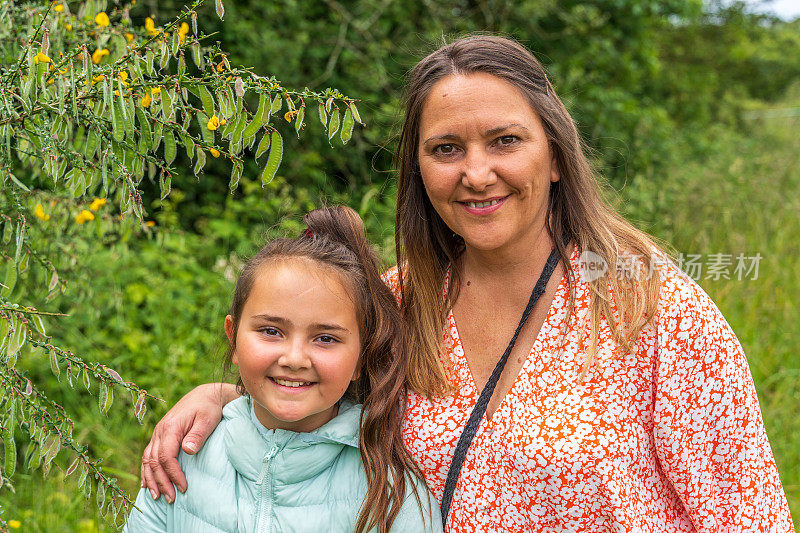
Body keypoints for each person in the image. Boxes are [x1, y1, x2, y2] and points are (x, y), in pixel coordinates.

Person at [140, 36, 795, 532]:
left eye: (505, 141)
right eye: (446, 148)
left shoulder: (654, 310)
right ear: (419, 168)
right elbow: (311, 396)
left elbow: (748, 513)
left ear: (557, 155)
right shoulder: (394, 304)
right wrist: (218, 395)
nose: (476, 173)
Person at [126, 206, 441, 532]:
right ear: (233, 338)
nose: (294, 358)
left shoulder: (391, 490)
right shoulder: (183, 456)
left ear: (361, 358)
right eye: (271, 331)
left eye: (325, 338)